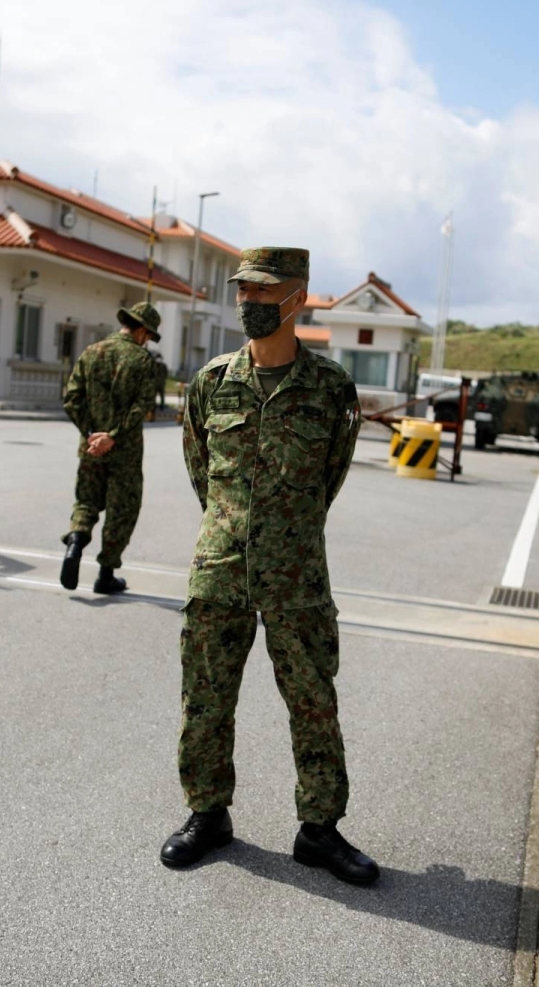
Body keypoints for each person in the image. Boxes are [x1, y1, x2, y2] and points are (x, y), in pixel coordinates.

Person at [160, 247, 379, 886]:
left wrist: (286, 531)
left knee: (313, 700)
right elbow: (202, 471)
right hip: (220, 566)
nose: (250, 304)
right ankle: (207, 814)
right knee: (205, 697)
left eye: (264, 292)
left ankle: (320, 830)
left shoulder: (331, 388)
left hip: (297, 572)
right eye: (243, 292)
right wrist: (235, 525)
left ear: (298, 297)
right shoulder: (211, 382)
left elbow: (328, 479)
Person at [59, 302, 162, 595]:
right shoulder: (142, 361)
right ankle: (105, 575)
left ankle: (76, 543)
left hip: (91, 449)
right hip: (125, 452)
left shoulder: (91, 352)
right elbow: (142, 407)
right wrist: (113, 436)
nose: (148, 341)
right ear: (142, 330)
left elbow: (72, 399)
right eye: (149, 336)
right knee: (122, 510)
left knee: (86, 502)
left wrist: (92, 435)